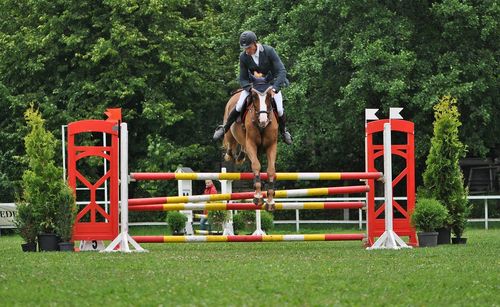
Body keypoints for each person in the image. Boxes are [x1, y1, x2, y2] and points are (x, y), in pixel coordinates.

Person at [213, 30, 292, 145]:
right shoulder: (243, 57)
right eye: (245, 48)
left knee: (279, 108)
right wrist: (249, 89)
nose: (247, 50)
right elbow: (243, 78)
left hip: (271, 85)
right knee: (239, 105)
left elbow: (281, 71)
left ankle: (284, 131)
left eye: (249, 47)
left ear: (255, 43)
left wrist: (275, 88)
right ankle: (225, 127)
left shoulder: (269, 51)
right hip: (254, 87)